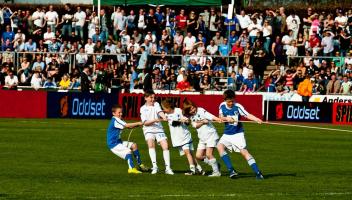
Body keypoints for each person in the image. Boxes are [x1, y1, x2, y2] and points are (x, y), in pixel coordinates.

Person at [217, 89, 264, 179]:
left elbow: (247, 115)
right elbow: (220, 117)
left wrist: (257, 119)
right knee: (220, 146)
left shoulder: (238, 106)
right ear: (225, 100)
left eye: (232, 101)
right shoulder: (222, 105)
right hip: (227, 134)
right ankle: (231, 170)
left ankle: (258, 172)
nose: (231, 103)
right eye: (229, 101)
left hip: (238, 134)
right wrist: (227, 118)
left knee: (244, 152)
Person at [161, 98, 203, 175]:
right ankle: (200, 169)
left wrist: (186, 121)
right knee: (190, 153)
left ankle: (192, 170)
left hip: (185, 135)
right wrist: (180, 120)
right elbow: (174, 123)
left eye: (164, 108)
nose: (163, 110)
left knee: (187, 152)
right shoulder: (167, 115)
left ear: (168, 107)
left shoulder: (178, 110)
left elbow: (187, 121)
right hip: (178, 138)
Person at [182, 99, 222, 177]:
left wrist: (217, 119)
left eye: (193, 108)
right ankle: (216, 164)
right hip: (202, 138)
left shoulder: (200, 110)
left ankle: (216, 172)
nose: (193, 110)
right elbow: (195, 126)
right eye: (190, 110)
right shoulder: (190, 117)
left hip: (211, 135)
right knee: (198, 156)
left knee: (208, 154)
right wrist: (203, 122)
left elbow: (210, 116)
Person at [140, 90, 174, 175]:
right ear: (145, 98)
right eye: (151, 97)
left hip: (158, 129)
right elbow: (145, 123)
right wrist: (155, 120)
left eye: (154, 97)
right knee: (151, 144)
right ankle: (155, 167)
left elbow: (160, 111)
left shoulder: (156, 104)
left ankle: (168, 168)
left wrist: (164, 117)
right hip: (148, 130)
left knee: (165, 146)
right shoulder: (142, 108)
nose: (153, 99)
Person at [107, 104, 148, 174]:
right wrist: (138, 123)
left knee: (134, 145)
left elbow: (128, 127)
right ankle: (131, 169)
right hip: (113, 144)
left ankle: (140, 165)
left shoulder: (119, 119)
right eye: (119, 112)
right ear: (114, 113)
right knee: (128, 151)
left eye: (121, 112)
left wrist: (138, 125)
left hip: (118, 142)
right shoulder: (115, 120)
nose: (121, 114)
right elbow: (127, 125)